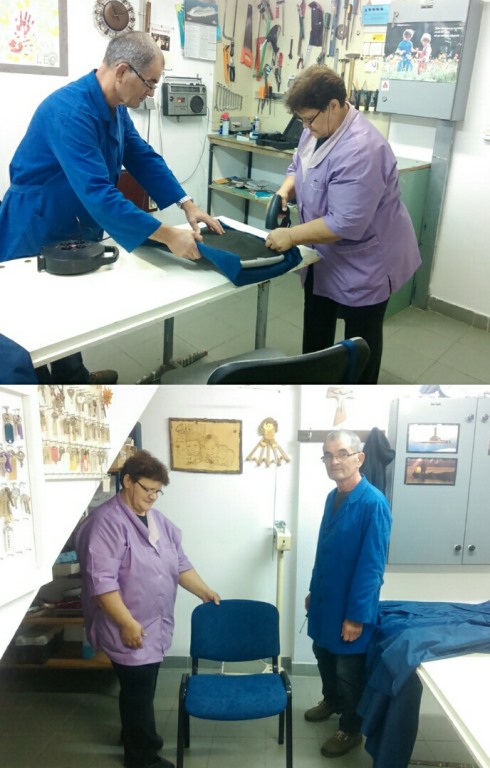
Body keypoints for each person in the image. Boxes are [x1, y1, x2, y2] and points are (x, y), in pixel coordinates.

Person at [0, 31, 224, 384]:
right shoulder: (69, 111)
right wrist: (169, 236)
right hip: (35, 222)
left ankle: (74, 378)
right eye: (150, 83)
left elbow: (142, 156)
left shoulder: (114, 108)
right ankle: (44, 393)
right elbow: (99, 193)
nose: (152, 93)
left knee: (68, 305)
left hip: (72, 218)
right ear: (122, 71)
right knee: (35, 320)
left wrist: (187, 204)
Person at [265, 66, 421, 383]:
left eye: (309, 119)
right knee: (317, 323)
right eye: (301, 121)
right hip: (323, 253)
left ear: (333, 105)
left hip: (367, 259)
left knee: (361, 340)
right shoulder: (316, 129)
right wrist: (284, 191)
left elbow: (345, 223)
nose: (306, 127)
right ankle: (312, 384)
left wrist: (291, 235)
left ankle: (358, 396)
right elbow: (298, 166)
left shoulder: (362, 150)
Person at [75, 450, 220, 768]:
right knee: (138, 689)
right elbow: (102, 582)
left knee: (140, 687)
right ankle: (141, 757)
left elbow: (180, 563)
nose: (153, 497)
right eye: (148, 489)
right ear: (127, 481)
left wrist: (204, 591)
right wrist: (126, 623)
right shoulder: (105, 524)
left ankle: (135, 735)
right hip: (126, 624)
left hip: (154, 623)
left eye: (158, 491)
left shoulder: (158, 522)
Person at [304, 429, 392, 758]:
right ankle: (332, 700)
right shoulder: (333, 496)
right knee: (322, 652)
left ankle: (351, 729)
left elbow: (372, 567)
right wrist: (313, 589)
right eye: (328, 455)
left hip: (351, 605)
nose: (334, 461)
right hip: (325, 600)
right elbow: (324, 550)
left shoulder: (373, 503)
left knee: (348, 671)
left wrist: (356, 616)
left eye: (342, 453)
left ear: (359, 458)